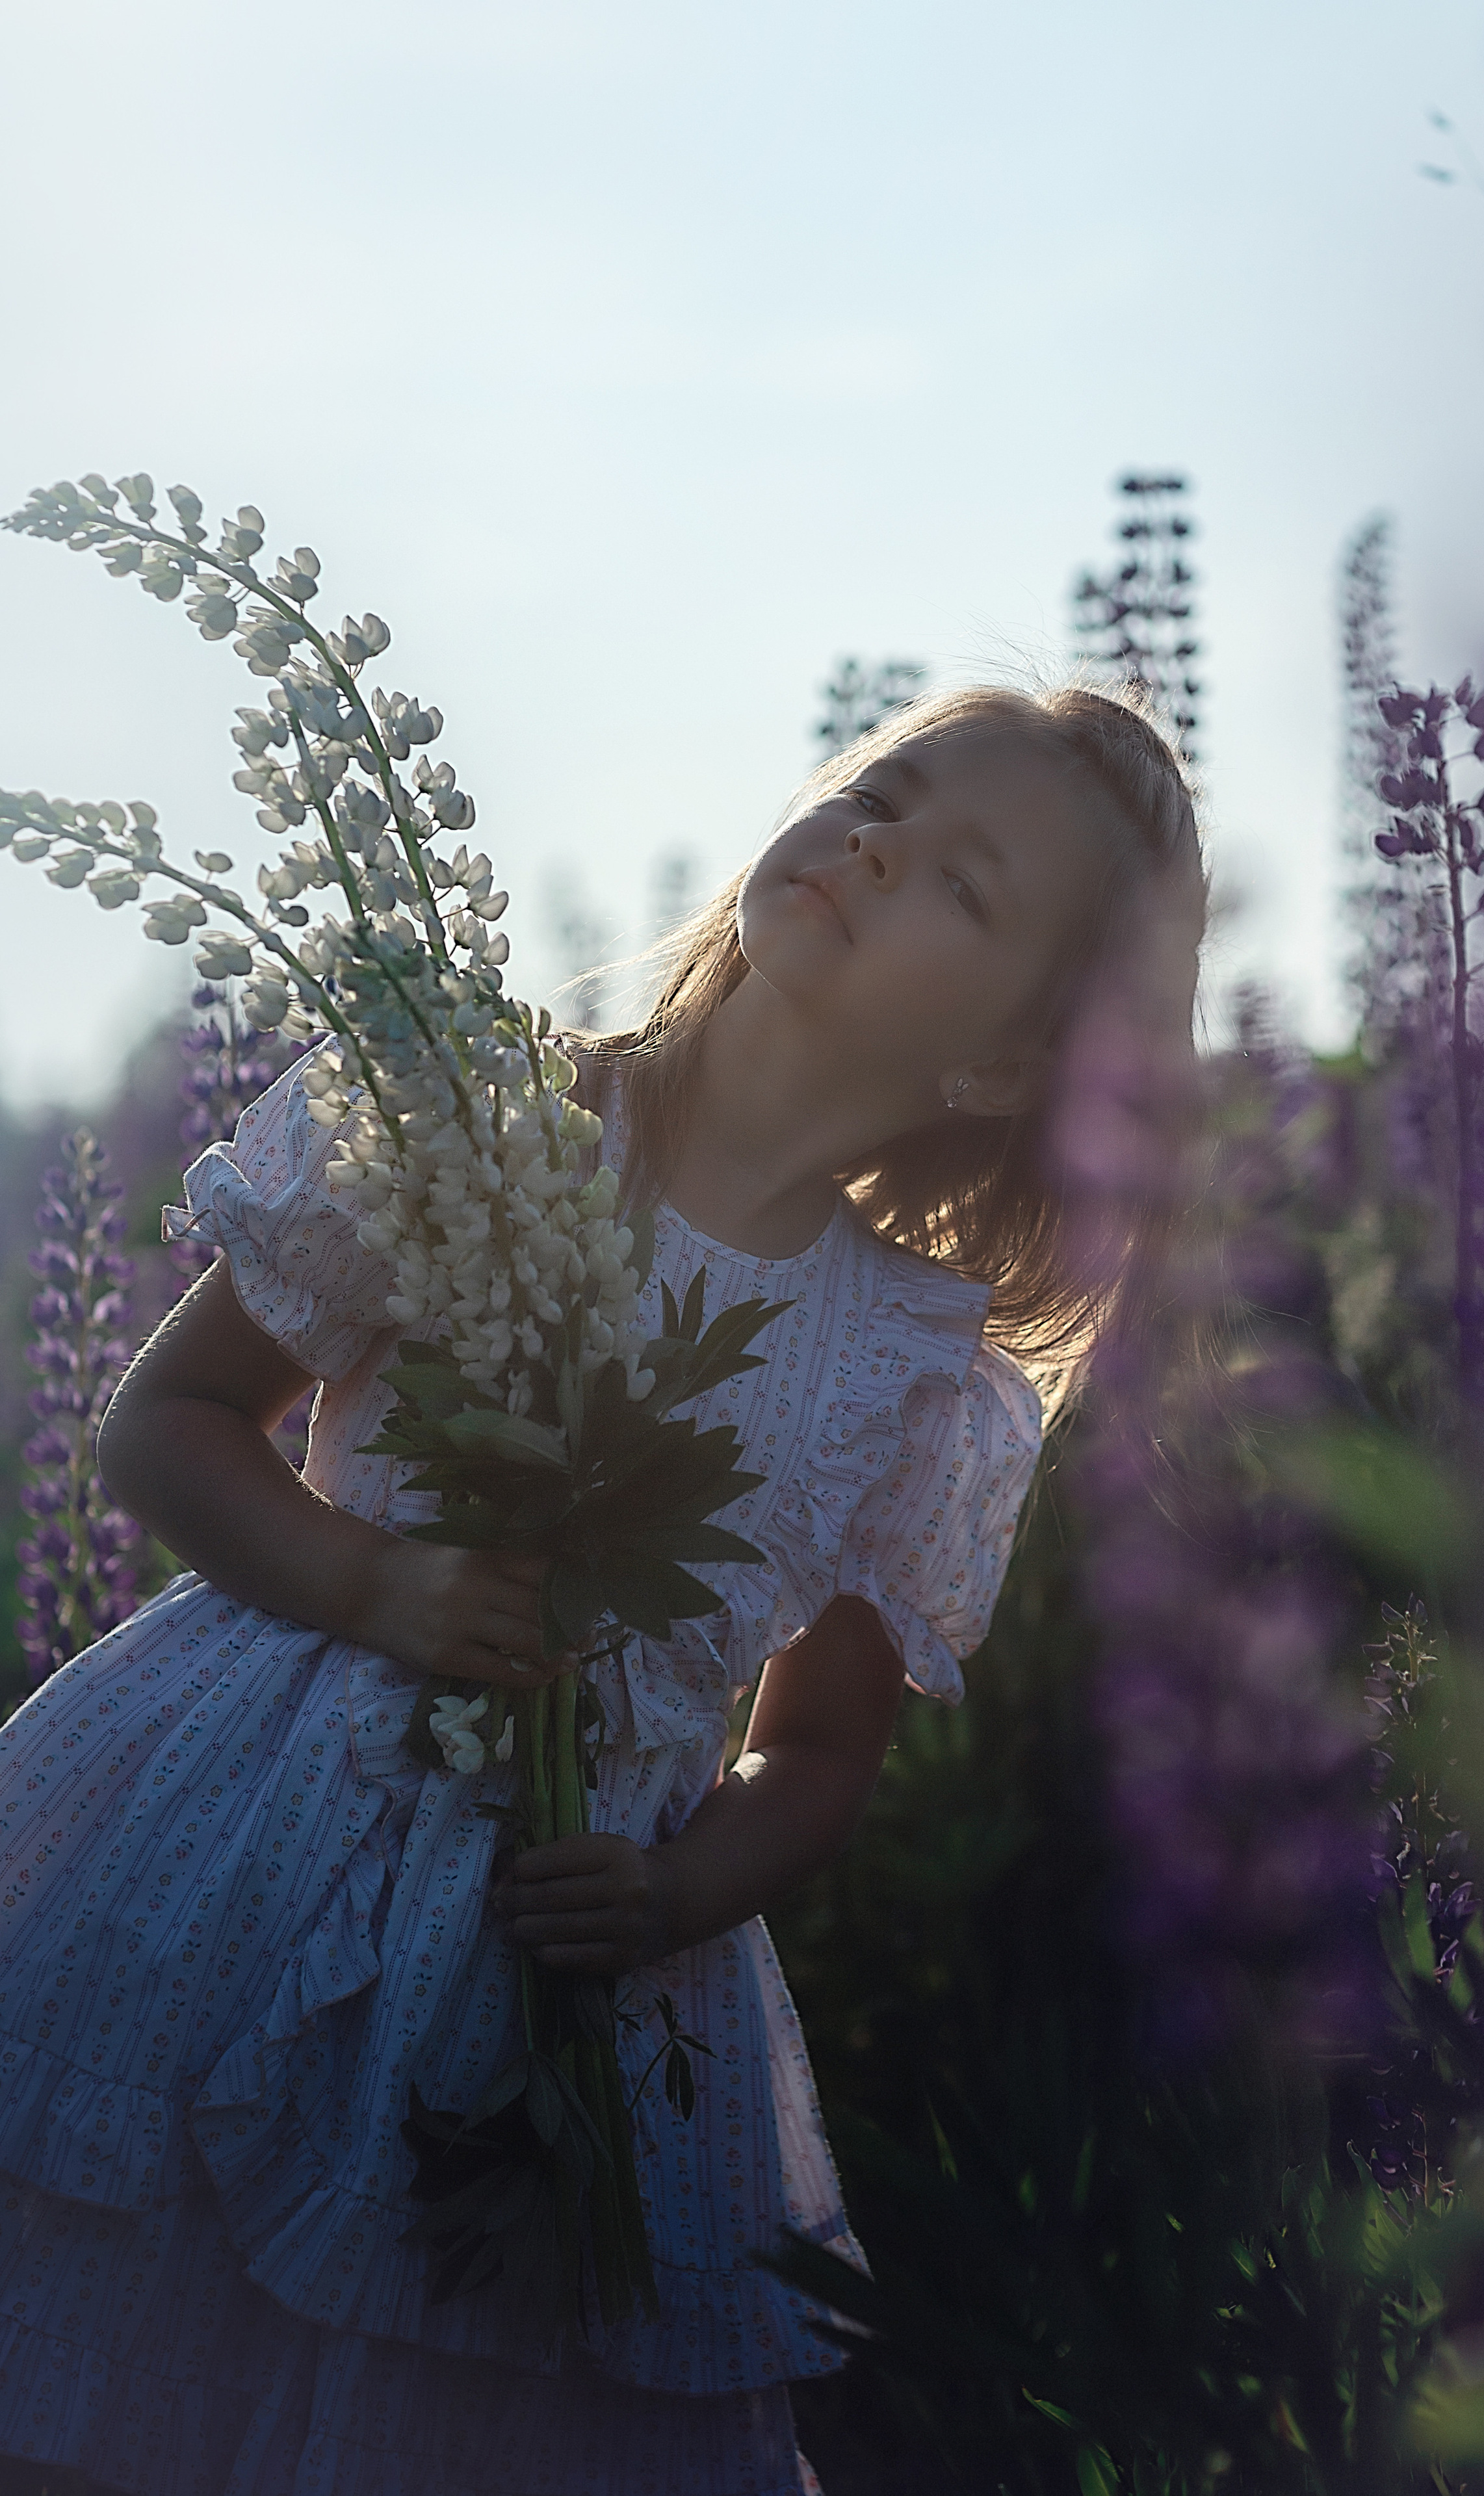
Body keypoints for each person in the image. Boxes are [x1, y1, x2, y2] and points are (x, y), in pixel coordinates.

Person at [0, 682, 1204, 2496]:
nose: (875, 839)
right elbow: (168, 1423)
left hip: (562, 1969)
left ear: (1009, 1067)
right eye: (883, 789)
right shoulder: (474, 1114)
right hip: (234, 1837)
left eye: (965, 882)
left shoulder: (916, 1366)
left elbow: (818, 1757)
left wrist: (667, 1890)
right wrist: (373, 1581)